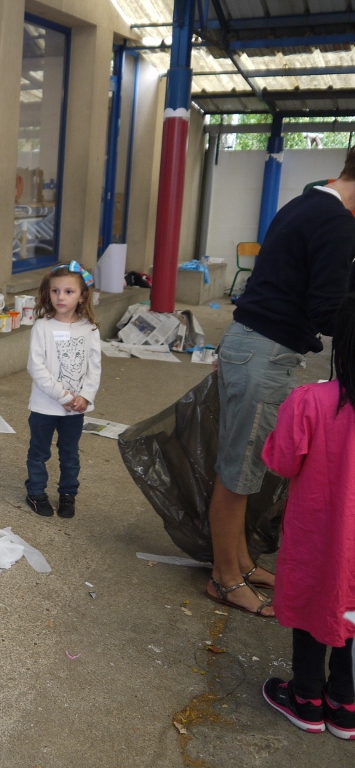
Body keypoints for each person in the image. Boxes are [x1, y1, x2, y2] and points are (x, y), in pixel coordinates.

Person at [205, 146, 355, 616]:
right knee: (238, 472)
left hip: (252, 345)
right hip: (265, 353)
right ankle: (225, 578)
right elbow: (325, 309)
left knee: (245, 466)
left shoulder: (307, 202)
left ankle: (243, 563)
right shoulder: (337, 223)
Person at [260, 294, 355, 739]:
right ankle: (345, 704)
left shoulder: (310, 402)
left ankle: (307, 698)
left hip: (317, 536)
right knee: (350, 613)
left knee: (313, 606)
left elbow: (281, 461)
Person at [24, 262, 101, 519]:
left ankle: (68, 495)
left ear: (82, 296)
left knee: (70, 455)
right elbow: (36, 367)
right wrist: (64, 396)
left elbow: (94, 367)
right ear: (48, 293)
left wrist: (86, 396)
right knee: (39, 453)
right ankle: (35, 492)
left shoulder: (89, 329)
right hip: (45, 406)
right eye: (55, 291)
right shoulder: (42, 327)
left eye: (69, 292)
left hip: (75, 410)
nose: (61, 297)